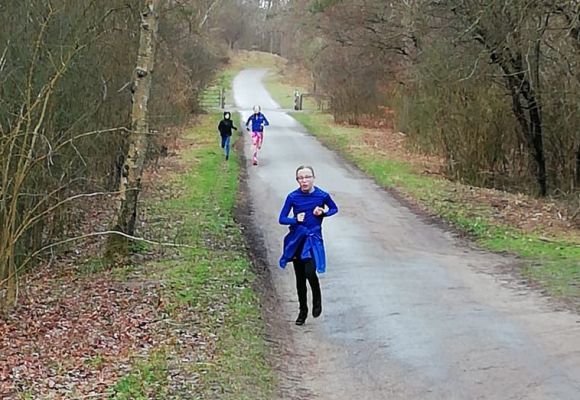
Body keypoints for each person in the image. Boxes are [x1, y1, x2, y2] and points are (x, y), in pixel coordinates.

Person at [278, 165, 338, 325]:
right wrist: (295, 220)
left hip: (313, 240)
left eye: (307, 177)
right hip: (297, 240)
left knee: (310, 272)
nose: (304, 181)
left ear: (313, 178)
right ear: (297, 180)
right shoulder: (292, 197)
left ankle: (317, 299)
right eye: (301, 178)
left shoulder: (322, 195)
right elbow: (282, 218)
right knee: (300, 279)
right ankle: (302, 311)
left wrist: (323, 212)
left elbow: (334, 208)